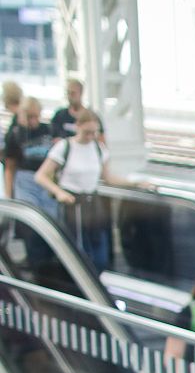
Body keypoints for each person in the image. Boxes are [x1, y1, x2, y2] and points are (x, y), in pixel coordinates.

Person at [35, 109, 136, 272]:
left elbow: (108, 178)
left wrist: (134, 183)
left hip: (93, 203)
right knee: (78, 251)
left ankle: (96, 281)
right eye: (86, 132)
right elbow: (41, 176)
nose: (90, 136)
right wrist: (59, 192)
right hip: (72, 204)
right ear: (77, 126)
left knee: (100, 253)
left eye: (94, 132)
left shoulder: (98, 148)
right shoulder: (64, 147)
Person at [4, 96, 55, 203]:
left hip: (46, 178)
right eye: (29, 117)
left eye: (35, 117)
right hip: (25, 178)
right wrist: (8, 194)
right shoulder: (16, 133)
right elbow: (9, 166)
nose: (33, 121)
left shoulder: (48, 129)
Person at [49, 78, 101, 142]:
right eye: (68, 93)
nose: (70, 96)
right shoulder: (59, 116)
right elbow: (54, 138)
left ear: (81, 93)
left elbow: (101, 139)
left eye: (73, 93)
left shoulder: (92, 116)